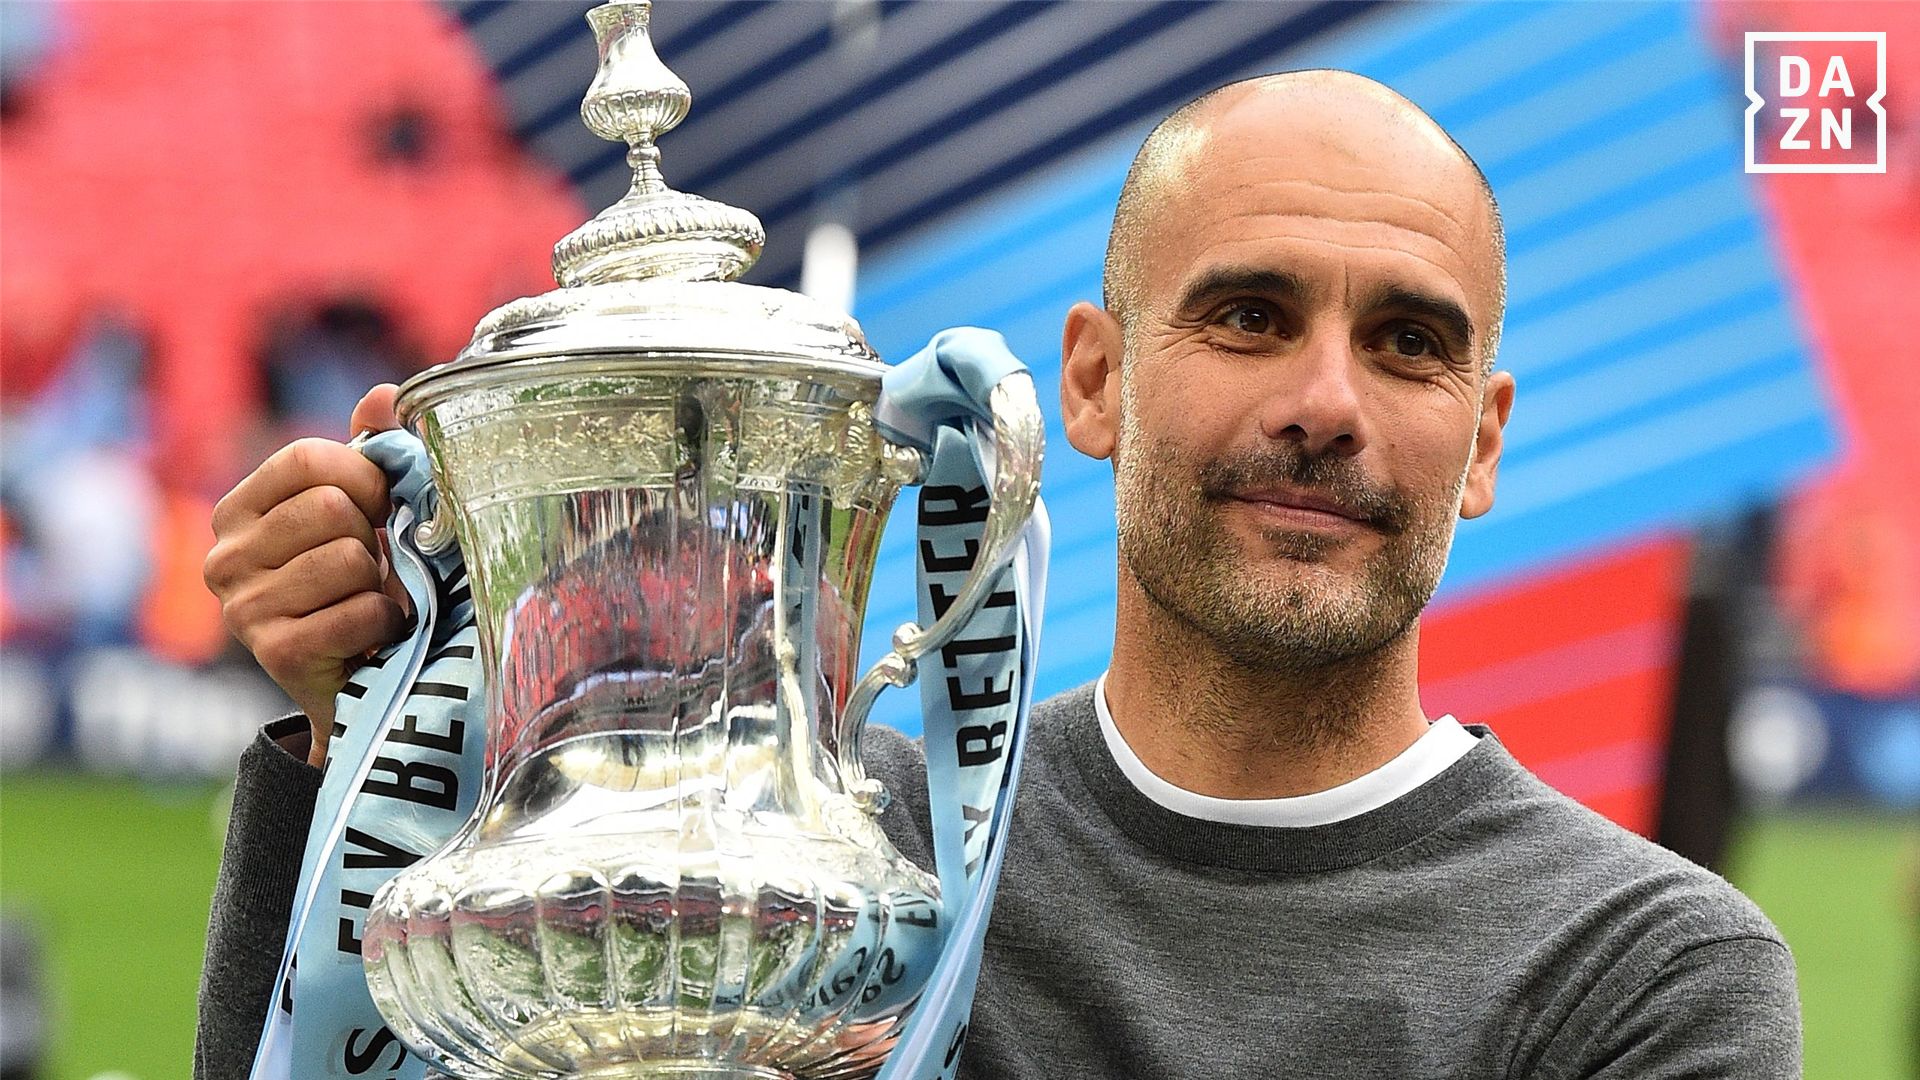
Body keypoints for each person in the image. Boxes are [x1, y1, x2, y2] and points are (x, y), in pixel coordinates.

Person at [196, 71, 1801, 1079]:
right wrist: (367, 731)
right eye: (1249, 317)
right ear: (1092, 383)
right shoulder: (838, 864)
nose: (1327, 402)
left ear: (1484, 440)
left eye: (1407, 344)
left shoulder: (1640, 968)